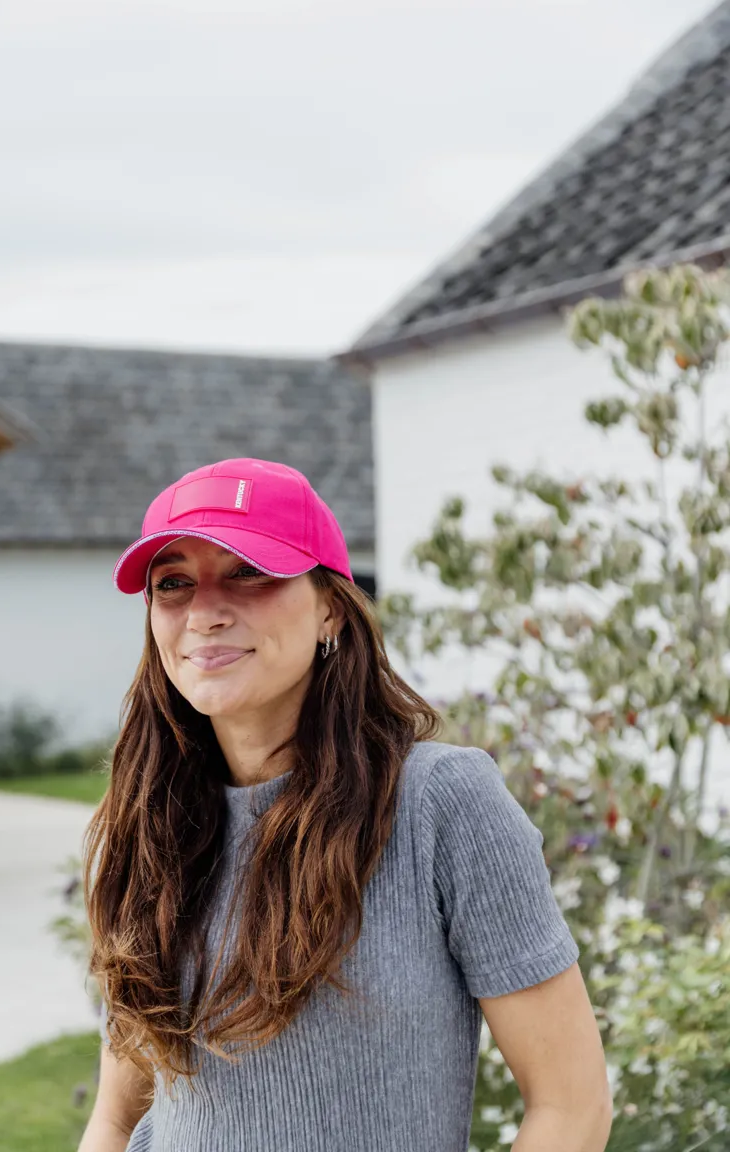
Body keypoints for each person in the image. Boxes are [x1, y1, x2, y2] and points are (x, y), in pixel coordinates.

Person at [78, 456, 612, 1152]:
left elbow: (571, 1107)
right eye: (172, 583)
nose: (204, 611)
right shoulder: (148, 821)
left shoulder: (440, 805)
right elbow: (118, 1119)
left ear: (330, 604)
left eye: (248, 571)